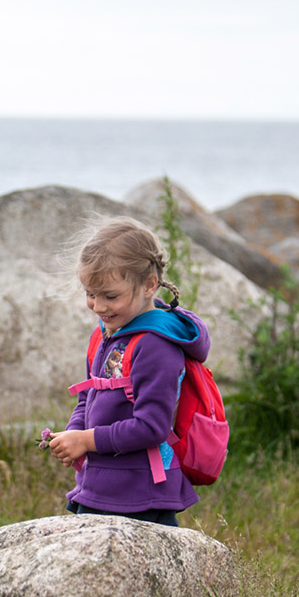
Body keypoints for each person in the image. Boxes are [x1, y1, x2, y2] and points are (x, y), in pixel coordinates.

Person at [47, 217, 211, 527]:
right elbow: (87, 396)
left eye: (110, 296)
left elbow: (152, 427)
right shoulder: (105, 333)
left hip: (141, 493)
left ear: (149, 284)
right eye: (90, 293)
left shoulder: (156, 346)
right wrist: (72, 434)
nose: (98, 306)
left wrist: (86, 440)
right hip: (100, 484)